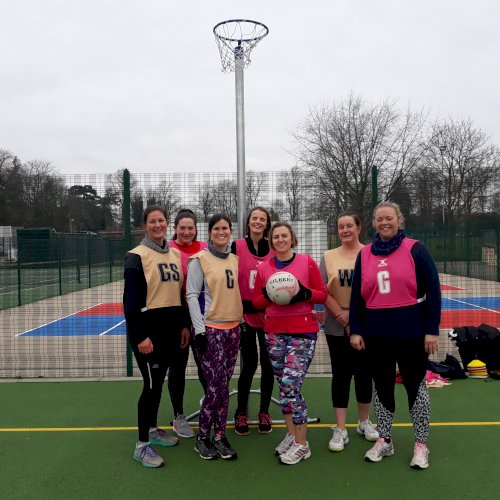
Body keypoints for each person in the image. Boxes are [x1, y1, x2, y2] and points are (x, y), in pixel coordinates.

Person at [349, 202, 441, 470]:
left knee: (416, 387)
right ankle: (386, 440)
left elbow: (433, 291)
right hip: (377, 334)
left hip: (412, 332)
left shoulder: (416, 249)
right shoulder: (364, 254)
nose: (384, 223)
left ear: (399, 220)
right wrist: (356, 329)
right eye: (379, 219)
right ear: (374, 223)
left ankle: (421, 444)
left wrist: (431, 329)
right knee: (383, 387)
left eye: (389, 218)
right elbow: (357, 296)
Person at [252, 221, 327, 465]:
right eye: (276, 237)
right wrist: (268, 295)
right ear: (271, 241)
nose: (280, 240)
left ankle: (302, 444)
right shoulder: (265, 268)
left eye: (285, 236)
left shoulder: (306, 262)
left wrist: (304, 293)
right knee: (282, 387)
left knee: (291, 385)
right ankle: (291, 434)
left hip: (302, 331)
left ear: (291, 238)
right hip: (274, 332)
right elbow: (256, 302)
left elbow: (322, 293)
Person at [123, 205, 190, 468]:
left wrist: (184, 325)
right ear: (144, 225)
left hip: (171, 331)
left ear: (167, 224)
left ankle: (152, 429)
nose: (158, 225)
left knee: (159, 382)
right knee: (150, 387)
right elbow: (130, 303)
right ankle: (141, 446)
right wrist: (141, 336)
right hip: (148, 335)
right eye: (152, 221)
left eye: (161, 220)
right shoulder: (136, 256)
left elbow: (179, 296)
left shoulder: (174, 254)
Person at [320, 212, 379, 453]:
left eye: (349, 226)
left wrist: (354, 318)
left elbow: (374, 291)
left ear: (358, 228)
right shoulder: (328, 256)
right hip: (336, 322)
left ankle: (364, 422)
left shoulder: (371, 253)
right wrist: (342, 316)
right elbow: (322, 291)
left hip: (365, 323)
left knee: (364, 372)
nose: (345, 230)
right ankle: (341, 427)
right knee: (341, 374)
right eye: (340, 227)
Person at [186, 213, 243, 460]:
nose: (222, 232)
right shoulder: (199, 260)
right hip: (211, 330)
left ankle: (220, 436)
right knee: (215, 387)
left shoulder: (234, 259)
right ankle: (202, 438)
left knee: (224, 387)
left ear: (231, 231)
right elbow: (191, 295)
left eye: (226, 228)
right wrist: (199, 331)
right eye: (217, 228)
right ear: (209, 232)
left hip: (233, 330)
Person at [231, 207, 275, 436]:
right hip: (245, 314)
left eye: (262, 219)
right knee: (248, 365)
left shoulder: (274, 248)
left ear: (267, 224)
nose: (258, 222)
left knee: (269, 365)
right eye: (254, 218)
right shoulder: (237, 246)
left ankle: (264, 411)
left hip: (268, 315)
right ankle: (240, 413)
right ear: (248, 223)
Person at [168, 209, 208, 439]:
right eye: (182, 228)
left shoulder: (204, 249)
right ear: (175, 228)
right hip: (179, 320)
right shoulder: (169, 250)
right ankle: (179, 416)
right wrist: (183, 323)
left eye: (190, 228)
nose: (186, 232)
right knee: (178, 367)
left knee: (206, 367)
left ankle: (211, 409)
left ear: (196, 229)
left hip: (203, 318)